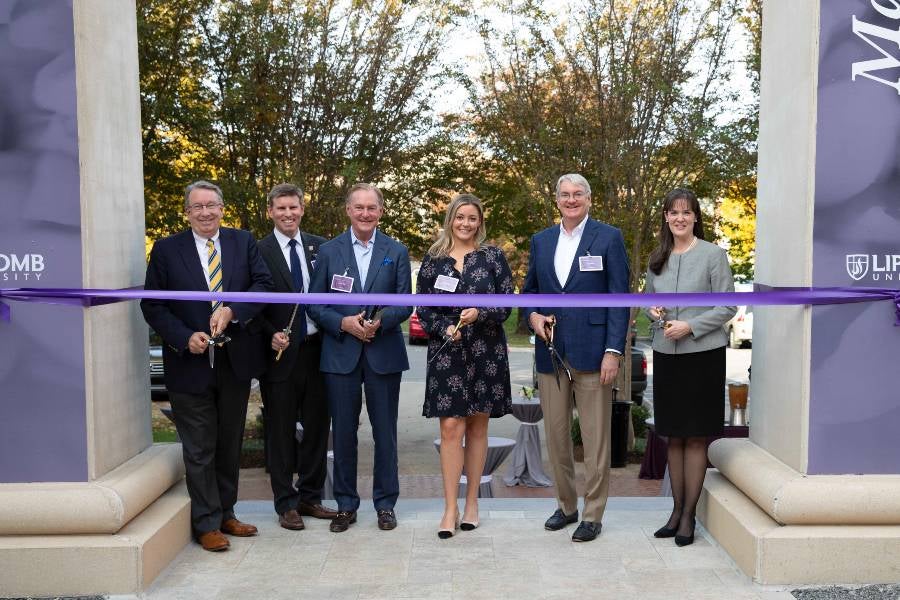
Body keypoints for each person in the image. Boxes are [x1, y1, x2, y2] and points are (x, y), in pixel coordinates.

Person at [141, 180, 273, 552]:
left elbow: (263, 285)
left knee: (228, 443)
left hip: (234, 362)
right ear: (187, 212)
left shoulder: (242, 242)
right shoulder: (167, 250)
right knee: (199, 447)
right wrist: (184, 337)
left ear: (221, 208)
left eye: (211, 205)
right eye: (197, 207)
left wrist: (234, 309)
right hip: (190, 363)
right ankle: (206, 523)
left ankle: (227, 513)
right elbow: (152, 305)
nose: (205, 213)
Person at [522, 173, 630, 543]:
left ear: (589, 198)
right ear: (556, 200)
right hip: (551, 352)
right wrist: (534, 317)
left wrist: (613, 351)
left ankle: (593, 513)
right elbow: (529, 294)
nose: (571, 200)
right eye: (565, 195)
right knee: (555, 437)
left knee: (595, 438)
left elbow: (620, 300)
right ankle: (566, 506)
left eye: (578, 194)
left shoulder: (609, 237)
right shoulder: (541, 241)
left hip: (595, 352)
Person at [307, 183, 413, 533]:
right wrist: (344, 324)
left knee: (385, 433)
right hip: (340, 355)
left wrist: (379, 324)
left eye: (372, 208)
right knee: (344, 434)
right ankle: (346, 505)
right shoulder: (328, 250)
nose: (365, 213)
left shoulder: (396, 251)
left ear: (381, 211)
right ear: (348, 211)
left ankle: (385, 505)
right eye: (359, 207)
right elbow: (315, 303)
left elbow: (405, 302)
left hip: (383, 353)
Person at [416, 194, 514, 539]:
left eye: (472, 218)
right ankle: (450, 507)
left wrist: (480, 312)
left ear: (480, 222)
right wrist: (444, 328)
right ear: (450, 220)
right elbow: (423, 308)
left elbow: (506, 305)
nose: (466, 224)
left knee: (476, 429)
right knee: (450, 430)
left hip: (485, 351)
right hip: (447, 351)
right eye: (460, 217)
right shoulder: (433, 259)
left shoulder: (493, 257)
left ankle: (472, 503)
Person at [645, 188, 735, 547]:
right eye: (673, 212)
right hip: (667, 355)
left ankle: (688, 517)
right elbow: (650, 306)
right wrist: (654, 313)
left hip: (702, 356)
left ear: (696, 216)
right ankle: (675, 510)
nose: (679, 218)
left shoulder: (714, 255)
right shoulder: (657, 258)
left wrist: (692, 326)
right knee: (673, 437)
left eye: (686, 212)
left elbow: (727, 307)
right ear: (666, 217)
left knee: (695, 437)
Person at [255, 183, 337, 531]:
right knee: (281, 430)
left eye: (294, 208)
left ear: (303, 209)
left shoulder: (322, 247)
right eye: (281, 209)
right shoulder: (257, 250)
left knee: (318, 428)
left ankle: (311, 496)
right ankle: (285, 503)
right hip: (280, 354)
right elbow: (249, 301)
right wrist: (267, 333)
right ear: (270, 212)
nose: (288, 214)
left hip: (319, 351)